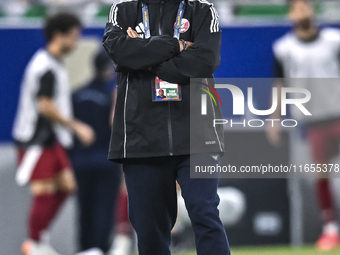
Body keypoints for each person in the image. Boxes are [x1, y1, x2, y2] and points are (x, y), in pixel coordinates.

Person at [102, 0, 230, 255]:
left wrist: (145, 57)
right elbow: (119, 50)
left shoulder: (202, 9)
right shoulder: (123, 9)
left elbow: (206, 60)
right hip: (141, 136)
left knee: (204, 211)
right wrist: (176, 45)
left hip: (197, 133)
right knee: (150, 230)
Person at [12, 13, 95, 255]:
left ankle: (39, 239)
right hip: (36, 139)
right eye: (74, 36)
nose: (77, 42)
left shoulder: (54, 63)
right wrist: (76, 126)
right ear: (60, 36)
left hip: (52, 139)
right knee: (44, 190)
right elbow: (45, 105)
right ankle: (33, 244)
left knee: (67, 186)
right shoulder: (44, 66)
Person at [267, 0, 340, 251]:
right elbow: (280, 86)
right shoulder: (283, 48)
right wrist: (273, 119)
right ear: (290, 14)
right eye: (296, 8)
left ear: (312, 10)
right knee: (321, 176)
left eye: (305, 6)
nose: (302, 12)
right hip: (313, 122)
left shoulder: (334, 40)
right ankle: (330, 229)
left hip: (339, 116)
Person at [72, 51, 121, 255]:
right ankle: (99, 248)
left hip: (81, 161)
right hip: (106, 160)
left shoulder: (76, 95)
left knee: (84, 206)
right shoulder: (112, 95)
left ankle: (84, 248)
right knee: (104, 207)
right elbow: (115, 125)